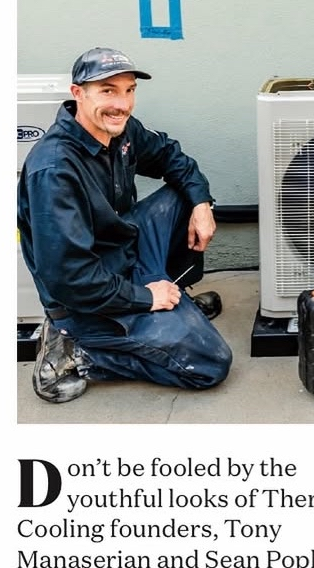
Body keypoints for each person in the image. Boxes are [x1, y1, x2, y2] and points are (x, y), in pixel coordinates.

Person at [17, 47, 233, 403]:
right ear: (78, 94)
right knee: (211, 363)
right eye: (108, 90)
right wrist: (146, 297)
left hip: (123, 252)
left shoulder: (119, 130)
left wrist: (201, 203)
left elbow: (171, 157)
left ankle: (175, 297)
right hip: (86, 301)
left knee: (184, 197)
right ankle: (80, 353)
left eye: (129, 90)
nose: (122, 103)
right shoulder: (55, 171)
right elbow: (71, 278)